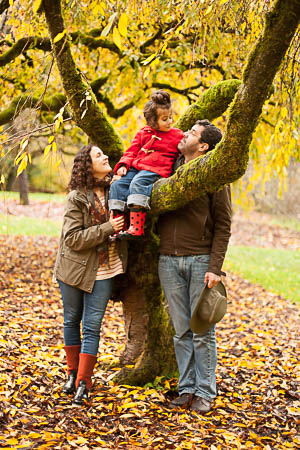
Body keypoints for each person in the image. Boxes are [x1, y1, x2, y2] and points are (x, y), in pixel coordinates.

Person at [157, 120, 232, 414]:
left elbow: (224, 225)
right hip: (167, 261)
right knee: (180, 331)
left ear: (203, 146)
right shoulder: (168, 168)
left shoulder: (214, 177)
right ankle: (186, 388)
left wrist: (215, 267)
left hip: (201, 261)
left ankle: (205, 392)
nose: (184, 134)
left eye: (192, 133)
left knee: (202, 331)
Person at [53, 144, 127, 405]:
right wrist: (108, 228)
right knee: (72, 320)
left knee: (92, 327)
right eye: (98, 155)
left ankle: (84, 382)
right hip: (74, 269)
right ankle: (71, 374)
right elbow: (72, 239)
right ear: (87, 165)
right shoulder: (76, 196)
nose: (106, 157)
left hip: (106, 269)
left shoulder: (116, 189)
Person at [108, 90, 184, 240]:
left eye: (170, 117)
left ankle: (136, 227)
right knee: (117, 185)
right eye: (165, 119)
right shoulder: (143, 132)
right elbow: (131, 151)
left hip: (155, 170)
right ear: (152, 121)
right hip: (137, 168)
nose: (170, 121)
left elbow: (189, 144)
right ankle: (119, 225)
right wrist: (123, 165)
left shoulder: (177, 135)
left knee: (138, 183)